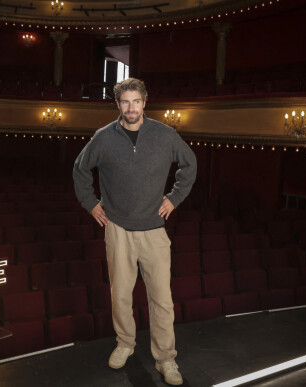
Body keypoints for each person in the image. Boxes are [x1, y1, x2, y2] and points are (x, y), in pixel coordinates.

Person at [73, 77, 197, 385]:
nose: (131, 108)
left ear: (145, 102)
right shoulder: (103, 138)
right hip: (117, 228)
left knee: (162, 300)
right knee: (121, 296)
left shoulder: (164, 135)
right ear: (118, 105)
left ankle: (166, 359)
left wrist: (174, 198)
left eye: (136, 101)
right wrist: (91, 203)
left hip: (153, 229)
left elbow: (189, 164)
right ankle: (125, 343)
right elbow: (80, 169)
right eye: (125, 102)